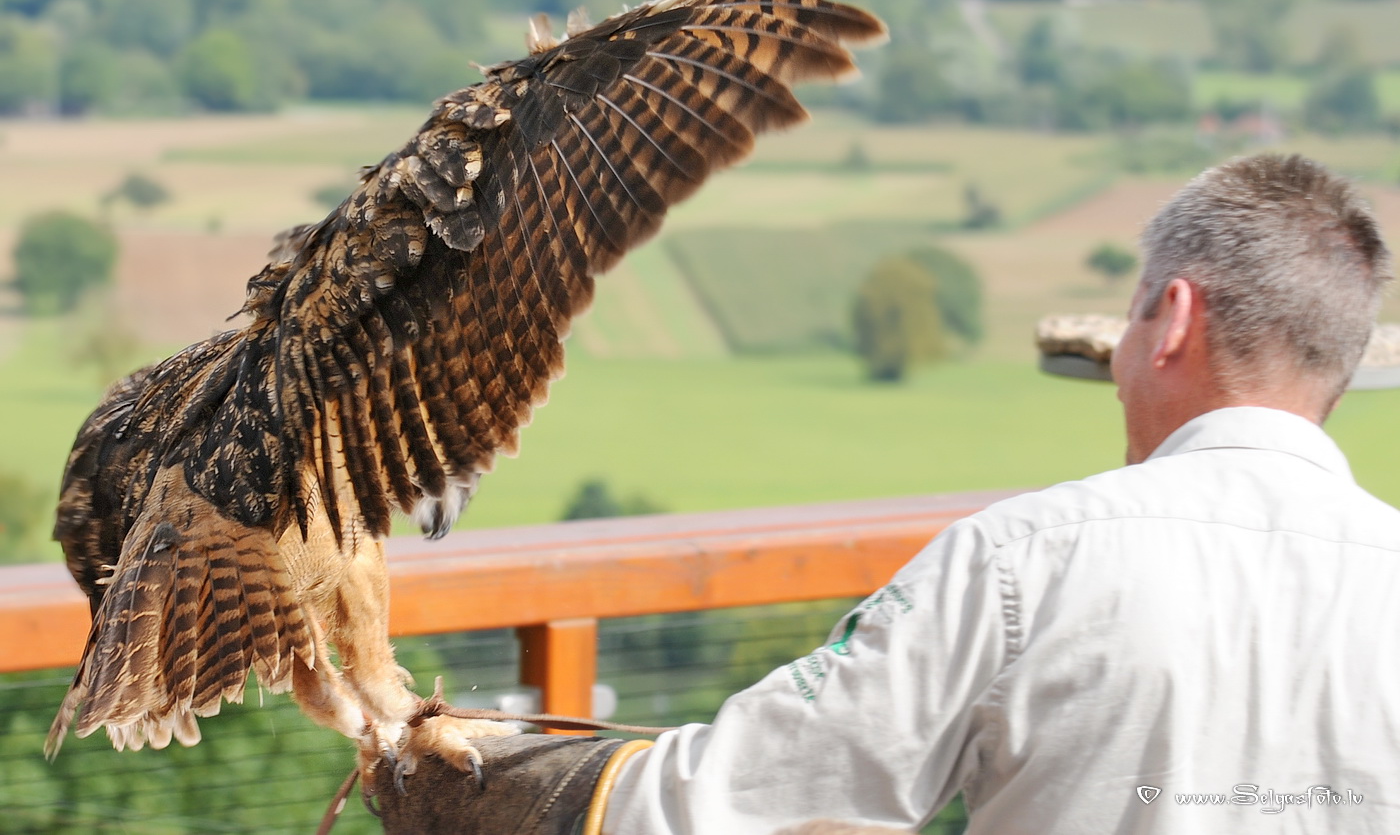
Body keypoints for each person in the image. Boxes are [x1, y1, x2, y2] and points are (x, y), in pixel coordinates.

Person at [381, 153, 1400, 835]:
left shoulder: (1027, 560)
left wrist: (489, 777)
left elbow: (742, 800)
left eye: (1130, 324)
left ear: (1171, 318)